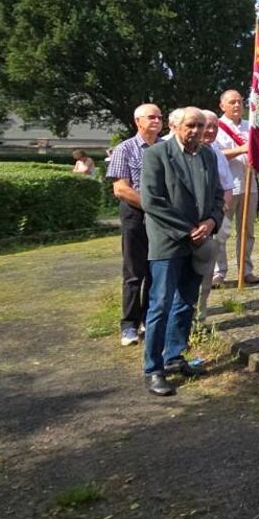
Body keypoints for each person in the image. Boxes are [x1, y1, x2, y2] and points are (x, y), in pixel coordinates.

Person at [140, 107, 223, 396]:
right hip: (168, 242)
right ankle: (153, 369)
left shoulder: (208, 155)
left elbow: (217, 195)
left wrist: (212, 221)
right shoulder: (156, 155)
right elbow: (152, 201)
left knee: (185, 302)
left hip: (199, 242)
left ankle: (174, 356)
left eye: (201, 126)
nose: (197, 131)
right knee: (160, 304)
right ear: (176, 126)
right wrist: (189, 229)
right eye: (191, 125)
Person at [106, 103, 163, 346]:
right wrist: (150, 206)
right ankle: (129, 325)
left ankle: (149, 320)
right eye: (151, 117)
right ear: (137, 121)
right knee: (133, 272)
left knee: (155, 270)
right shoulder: (125, 149)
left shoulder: (165, 148)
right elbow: (120, 188)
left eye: (160, 117)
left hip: (161, 218)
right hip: (136, 215)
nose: (157, 120)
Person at [212, 89, 259, 286]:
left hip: (250, 184)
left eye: (240, 101)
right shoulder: (216, 127)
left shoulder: (251, 126)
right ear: (222, 105)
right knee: (221, 231)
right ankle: (218, 272)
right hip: (226, 186)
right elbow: (214, 154)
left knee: (247, 231)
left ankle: (246, 270)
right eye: (232, 102)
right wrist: (241, 149)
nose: (237, 105)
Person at [196, 110, 236, 322]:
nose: (210, 131)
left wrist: (218, 216)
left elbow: (227, 186)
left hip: (213, 221)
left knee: (205, 273)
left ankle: (199, 317)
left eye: (214, 126)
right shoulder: (171, 149)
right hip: (187, 226)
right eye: (206, 125)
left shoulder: (217, 153)